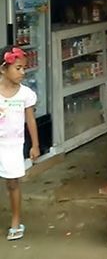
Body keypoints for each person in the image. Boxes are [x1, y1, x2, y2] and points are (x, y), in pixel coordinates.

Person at [0, 46, 40, 241]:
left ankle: (16, 222)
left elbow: (30, 120)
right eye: (18, 68)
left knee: (13, 183)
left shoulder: (25, 94)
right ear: (3, 69)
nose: (22, 72)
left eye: (24, 68)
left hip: (13, 145)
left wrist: (35, 145)